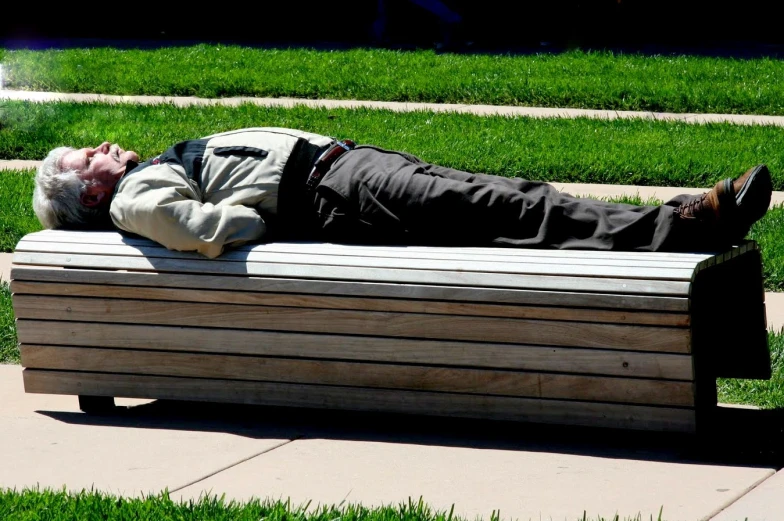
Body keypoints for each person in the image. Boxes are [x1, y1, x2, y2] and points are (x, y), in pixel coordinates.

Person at [33, 127, 773, 259]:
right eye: (87, 157)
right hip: (336, 188)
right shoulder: (135, 193)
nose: (103, 148)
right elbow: (195, 228)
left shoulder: (143, 175)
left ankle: (681, 221)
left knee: (511, 199)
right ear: (89, 197)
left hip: (348, 171)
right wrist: (265, 221)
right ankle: (689, 223)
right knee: (511, 208)